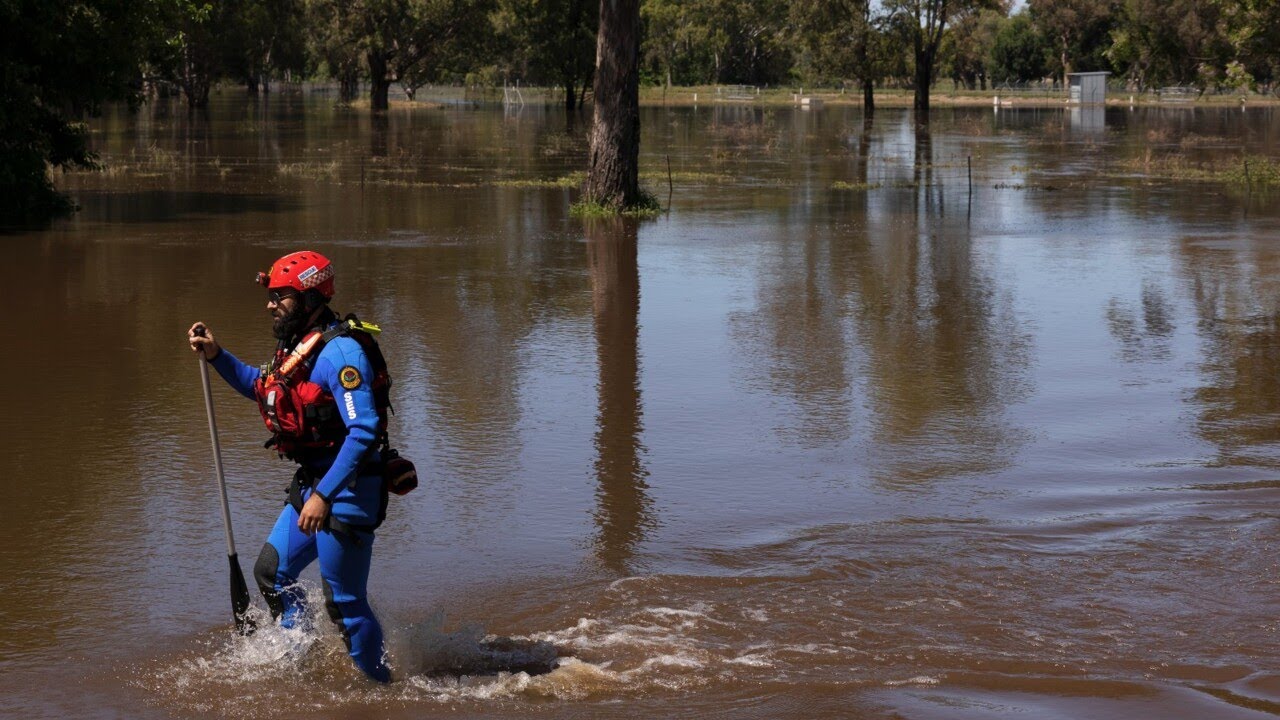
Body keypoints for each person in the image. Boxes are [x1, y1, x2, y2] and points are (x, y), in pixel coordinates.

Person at [187, 250, 392, 683]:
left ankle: (383, 690)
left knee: (345, 605)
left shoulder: (341, 353)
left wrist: (323, 496)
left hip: (349, 489)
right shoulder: (297, 346)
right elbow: (264, 390)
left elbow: (364, 431)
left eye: (279, 295)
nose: (270, 304)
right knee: (272, 574)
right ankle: (299, 661)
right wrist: (217, 354)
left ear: (310, 296)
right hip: (316, 480)